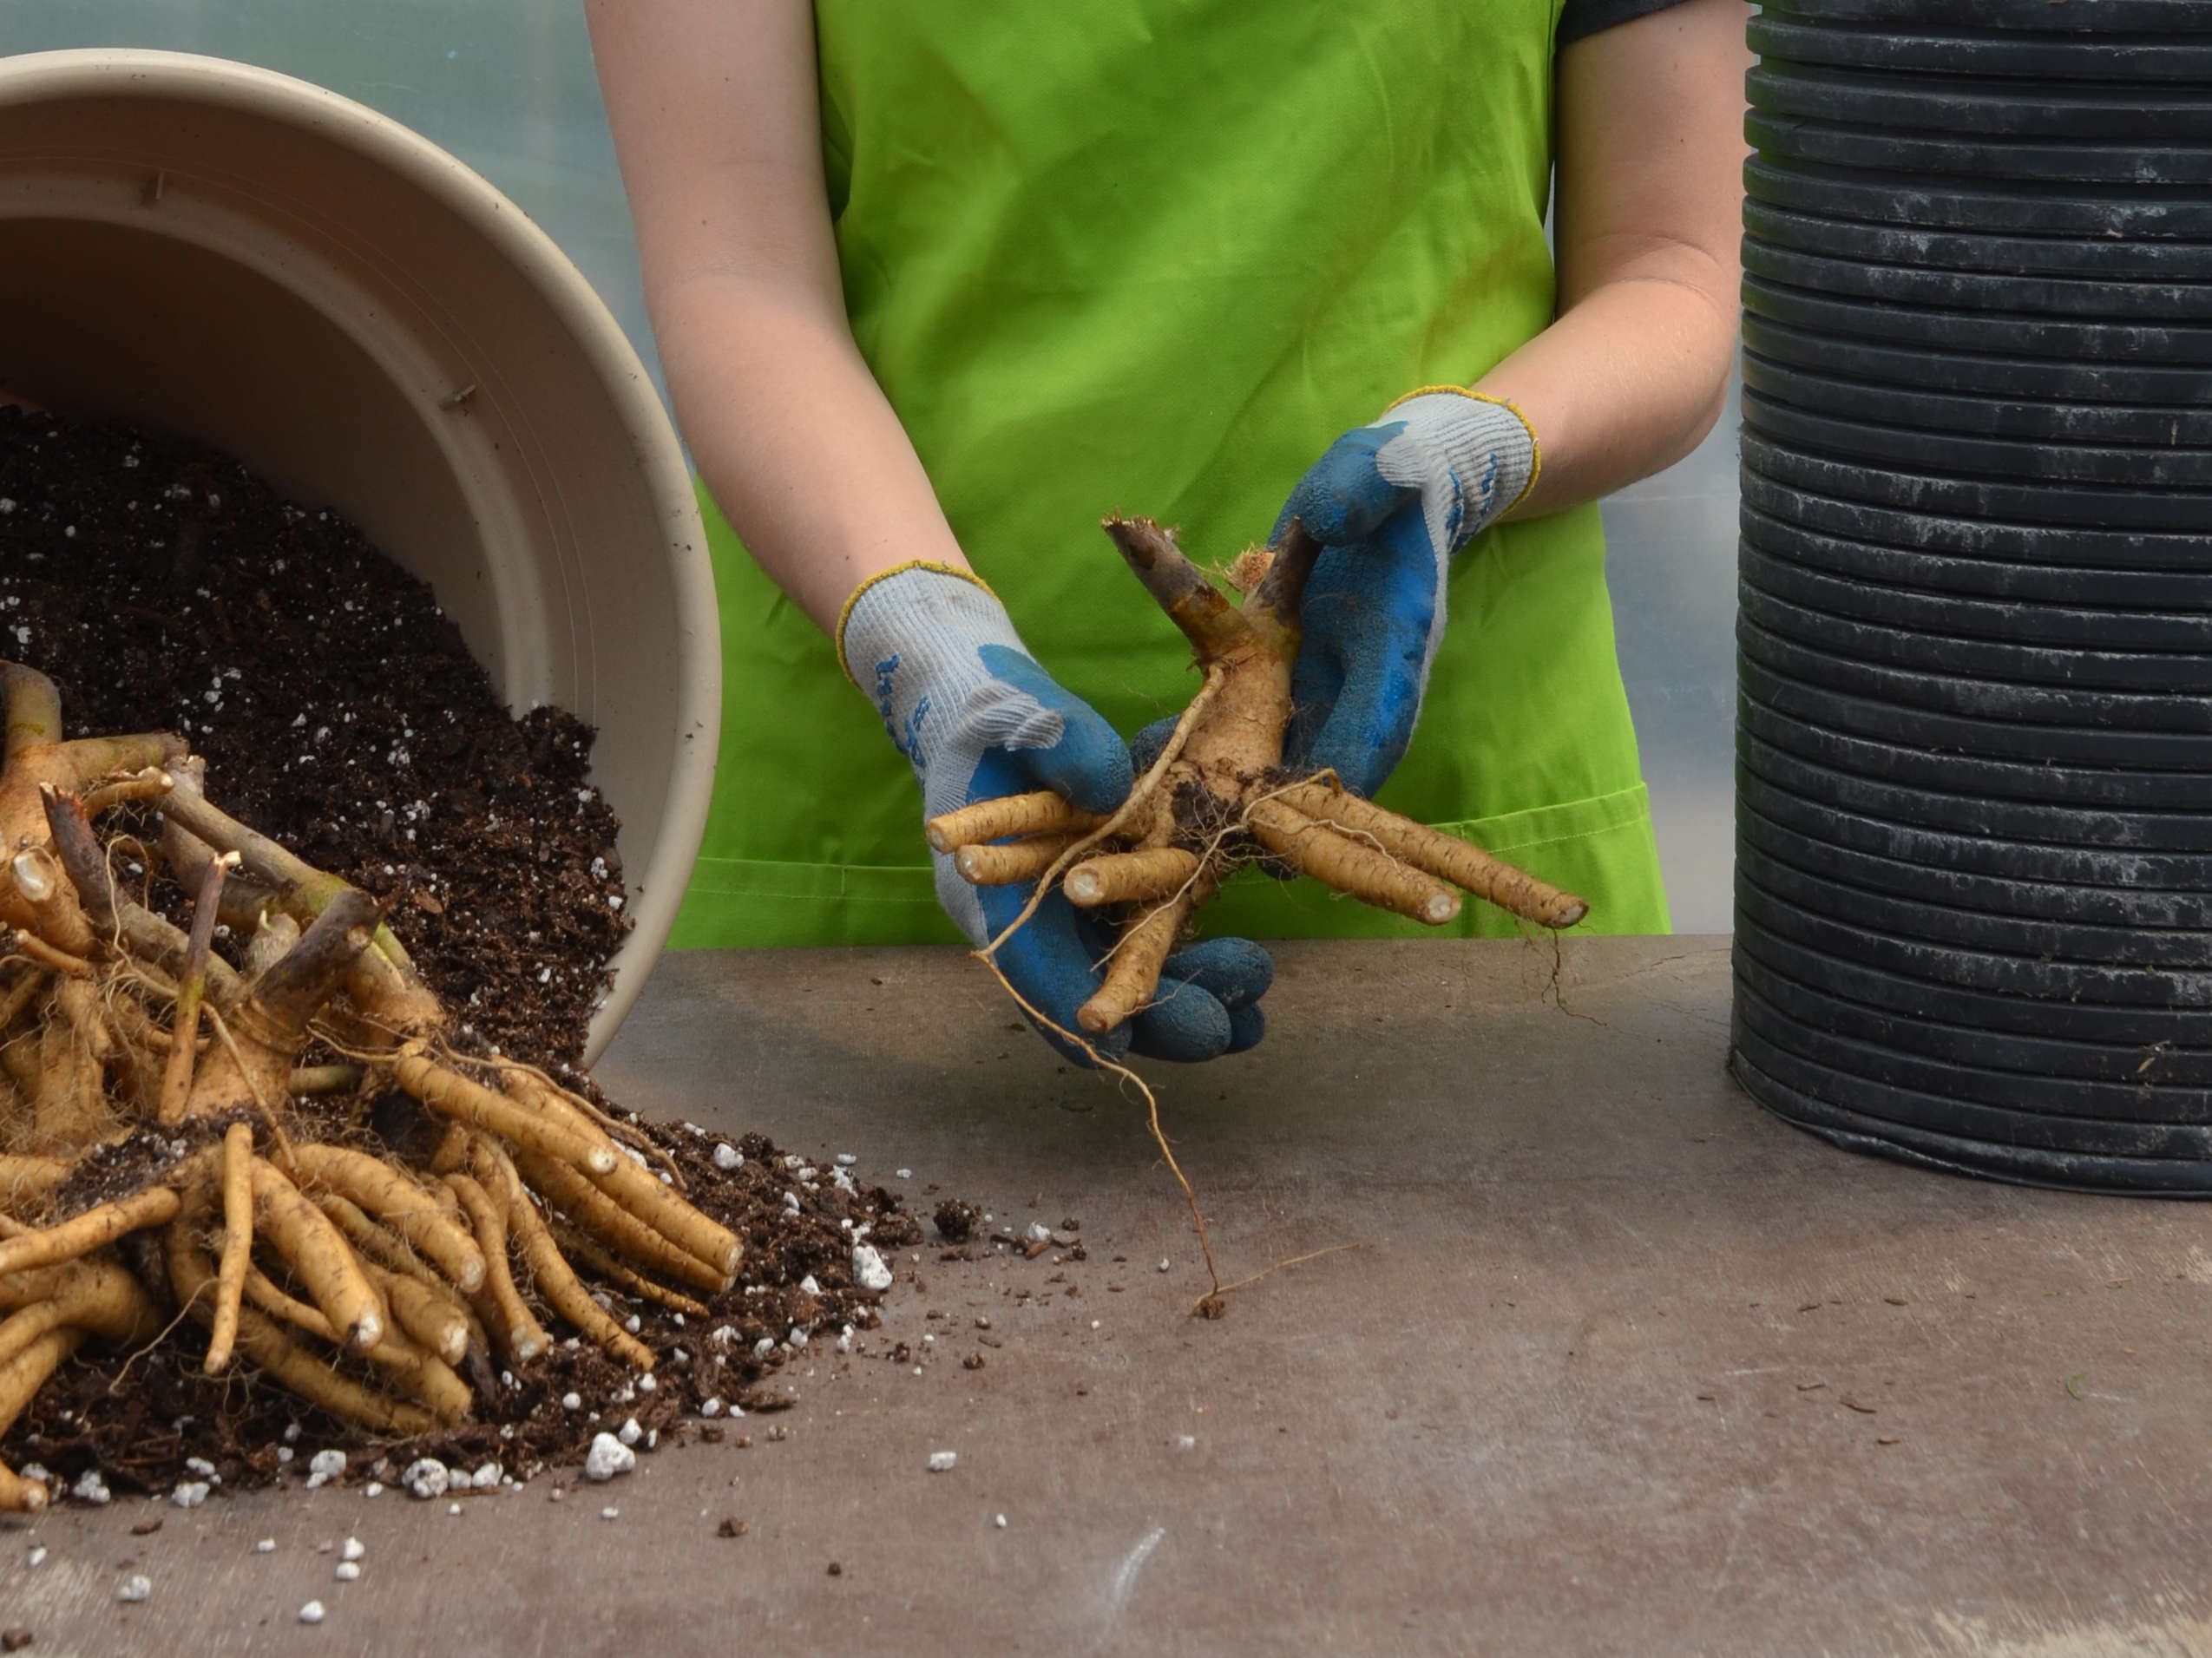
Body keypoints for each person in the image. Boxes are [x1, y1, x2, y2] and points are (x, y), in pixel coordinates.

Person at [587, 0, 1748, 1064]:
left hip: (1442, 760)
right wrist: (914, 626)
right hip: (888, 788)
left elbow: (1672, 268)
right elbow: (737, 273)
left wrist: (1473, 453)